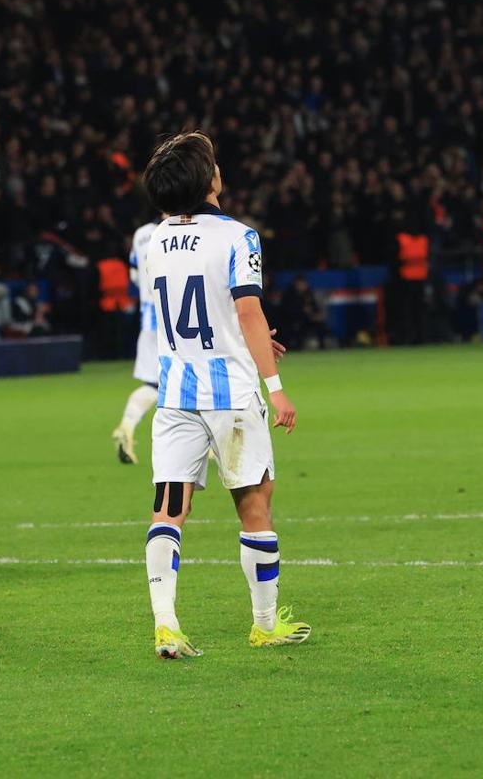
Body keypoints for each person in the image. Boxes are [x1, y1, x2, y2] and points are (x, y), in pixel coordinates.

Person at [139, 131, 309, 659]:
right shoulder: (240, 237)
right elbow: (246, 311)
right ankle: (263, 624)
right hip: (232, 396)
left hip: (174, 396)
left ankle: (166, 626)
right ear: (207, 179)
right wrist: (275, 388)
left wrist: (247, 339)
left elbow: (193, 311)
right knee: (255, 507)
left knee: (168, 510)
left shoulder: (154, 238)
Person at [111, 217, 159, 464]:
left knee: (153, 385)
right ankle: (207, 445)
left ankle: (126, 427)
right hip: (177, 321)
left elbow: (134, 275)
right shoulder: (179, 230)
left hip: (149, 318)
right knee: (193, 381)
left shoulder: (140, 234)